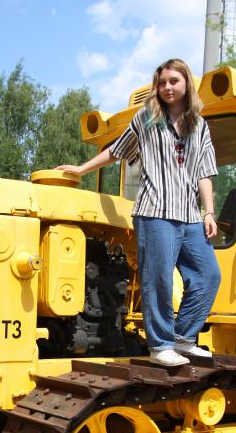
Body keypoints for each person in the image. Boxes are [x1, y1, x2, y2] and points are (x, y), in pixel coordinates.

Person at [57, 57, 221, 367]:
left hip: (189, 215)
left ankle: (183, 338)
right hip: (155, 211)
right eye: (162, 83)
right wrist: (81, 168)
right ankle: (160, 346)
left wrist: (209, 212)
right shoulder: (147, 118)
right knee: (158, 279)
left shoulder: (199, 126)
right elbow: (117, 150)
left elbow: (204, 173)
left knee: (208, 275)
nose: (167, 87)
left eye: (173, 81)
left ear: (186, 83)